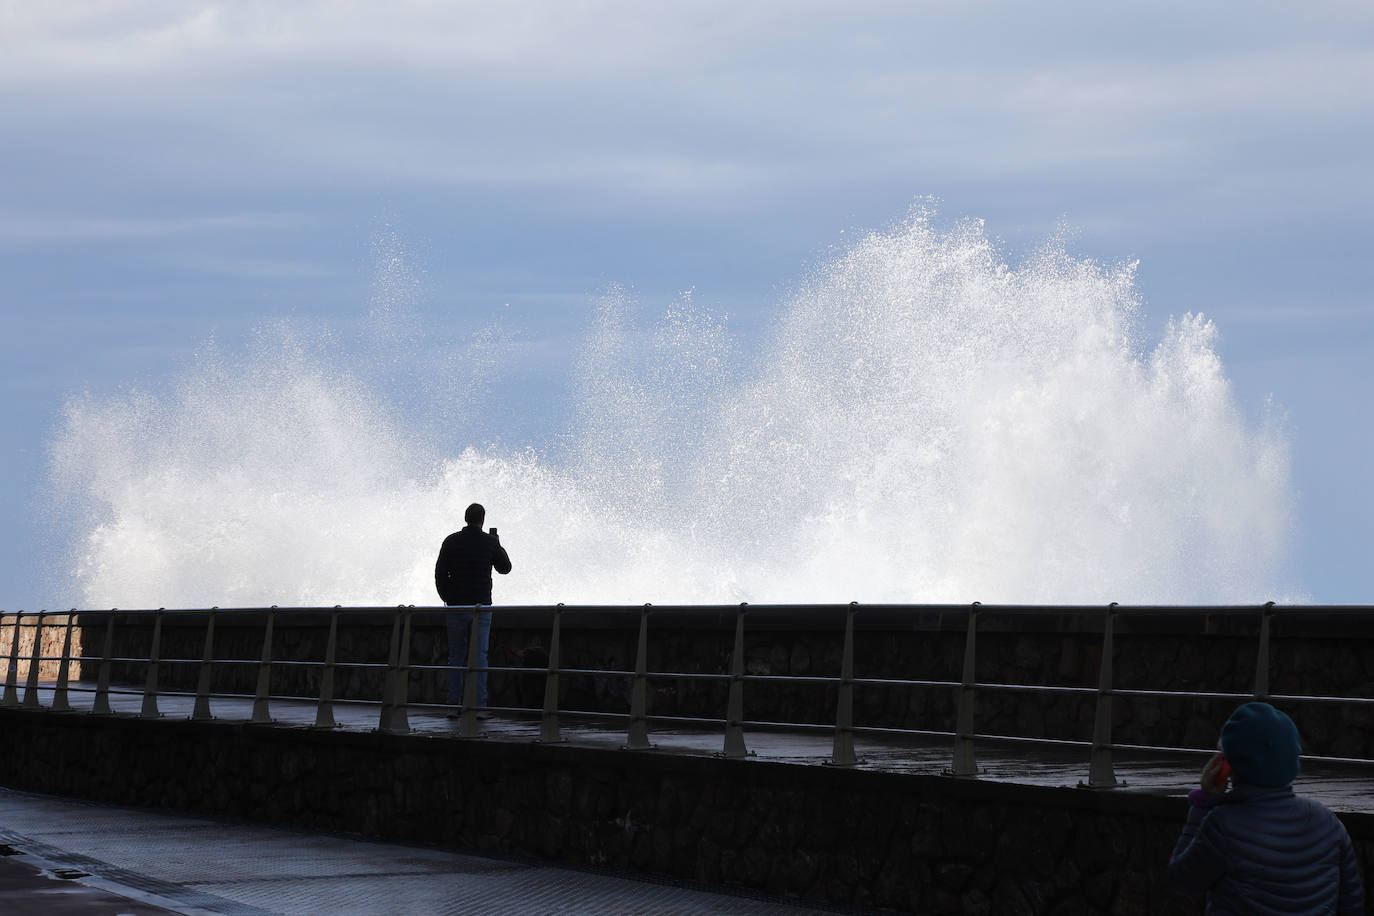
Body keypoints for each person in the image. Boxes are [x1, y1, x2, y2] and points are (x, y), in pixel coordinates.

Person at [1168, 701, 1363, 913]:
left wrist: (1203, 801)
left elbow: (1182, 881)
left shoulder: (1223, 825)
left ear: (1228, 764)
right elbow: (1351, 903)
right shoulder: (1329, 823)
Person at [434, 503, 512, 718]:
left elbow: (440, 574)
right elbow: (505, 568)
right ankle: (479, 707)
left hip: (456, 606)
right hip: (481, 607)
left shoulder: (451, 541)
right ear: (482, 520)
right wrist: (498, 543)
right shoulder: (489, 542)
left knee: (456, 657)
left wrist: (447, 597)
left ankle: (453, 704)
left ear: (466, 518)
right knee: (479, 657)